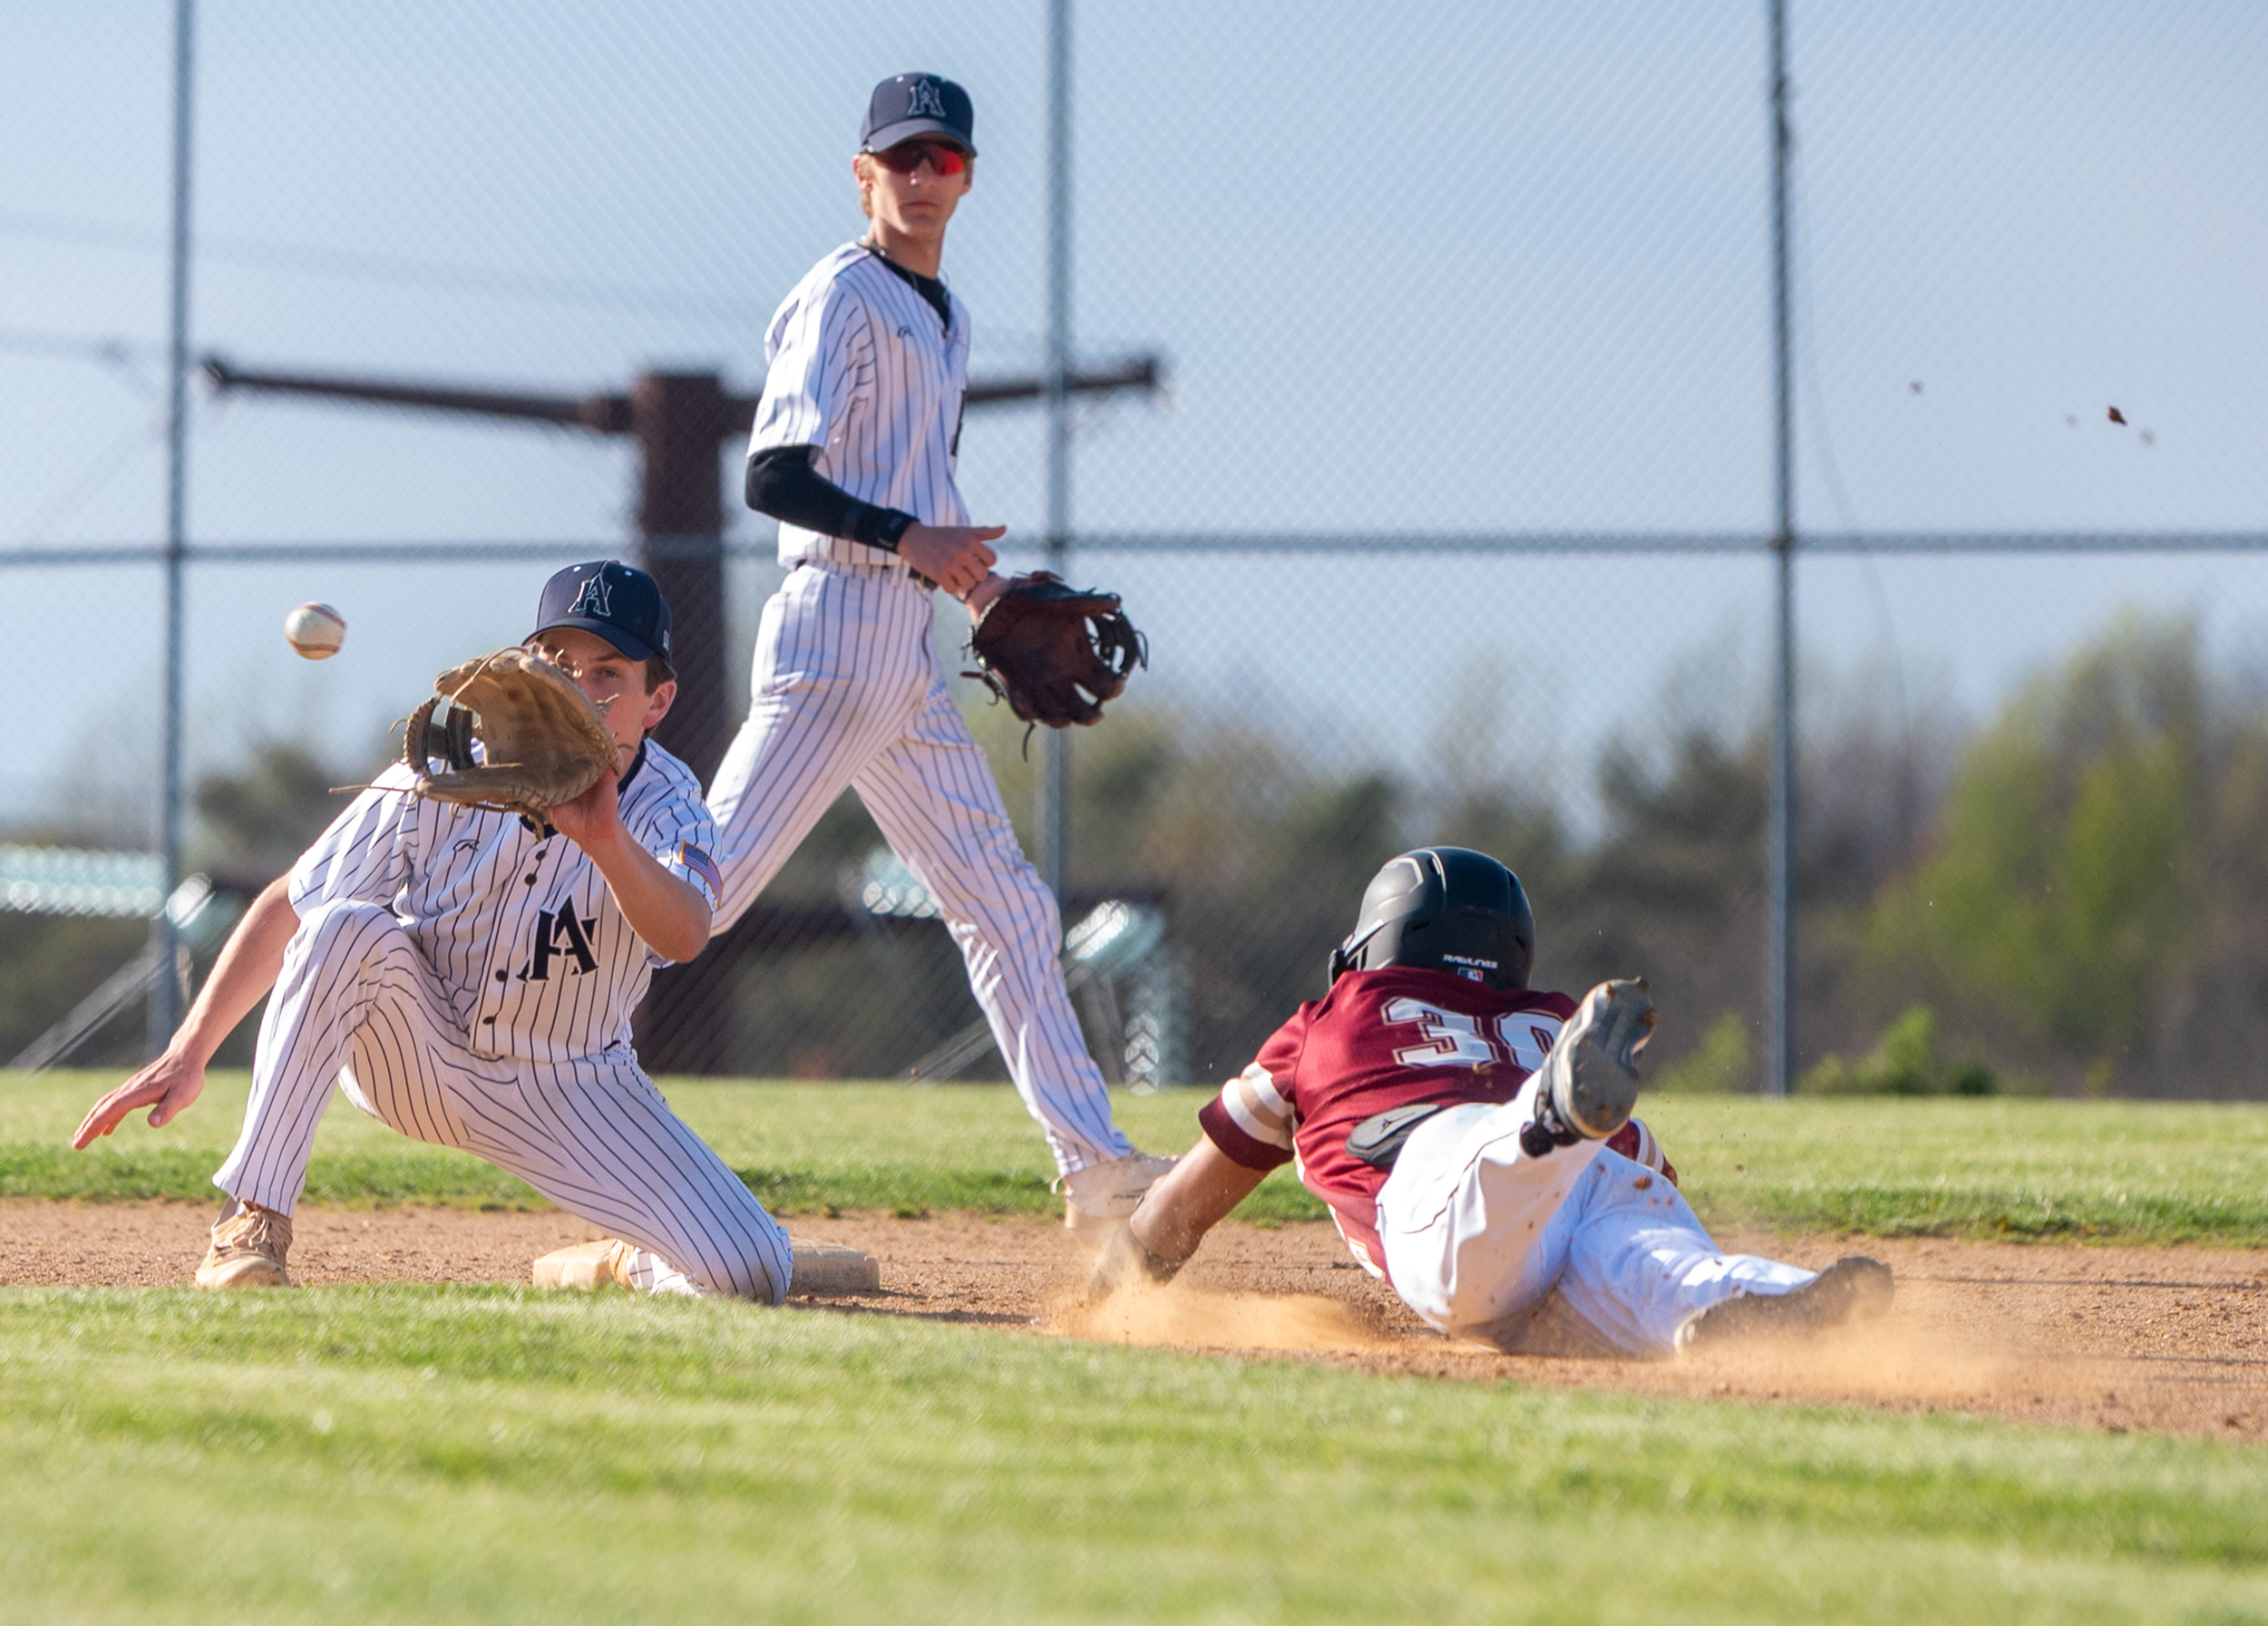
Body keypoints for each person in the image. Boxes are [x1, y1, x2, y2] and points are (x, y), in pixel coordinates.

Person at [706, 71, 1169, 1226]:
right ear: (863, 174)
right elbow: (772, 473)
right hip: (830, 634)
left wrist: (973, 583)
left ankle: (1094, 1167)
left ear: (966, 177)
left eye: (944, 160)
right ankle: (489, 966)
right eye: (902, 158)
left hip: (901, 649)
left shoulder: (946, 315)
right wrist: (910, 536)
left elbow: (919, 494)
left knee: (1006, 907)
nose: (922, 177)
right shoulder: (841, 297)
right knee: (695, 896)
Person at [72, 560, 793, 1302]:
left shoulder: (670, 803)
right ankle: (252, 1222)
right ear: (526, 670)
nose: (580, 688)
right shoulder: (449, 767)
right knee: (345, 926)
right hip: (420, 1052)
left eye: (608, 672)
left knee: (756, 1273)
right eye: (558, 663)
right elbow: (295, 901)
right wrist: (189, 1051)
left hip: (572, 1085)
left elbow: (685, 934)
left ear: (657, 700)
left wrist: (604, 839)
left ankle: (626, 1259)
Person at [1088, 847, 1893, 1357]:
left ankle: (1547, 1125)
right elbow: (1652, 1169)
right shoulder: (1542, 1016)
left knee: (1489, 1185)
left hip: (1445, 1180)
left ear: (1373, 946)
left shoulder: (1329, 1019)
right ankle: (1760, 1292)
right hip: (1592, 1180)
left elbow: (1181, 1209)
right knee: (1662, 1272)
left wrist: (1107, 1290)